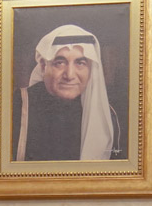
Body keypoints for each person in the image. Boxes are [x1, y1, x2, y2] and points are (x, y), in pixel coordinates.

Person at [10, 24, 122, 161]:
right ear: (44, 66)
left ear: (91, 69)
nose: (69, 75)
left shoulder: (107, 115)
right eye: (60, 63)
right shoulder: (17, 105)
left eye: (80, 63)